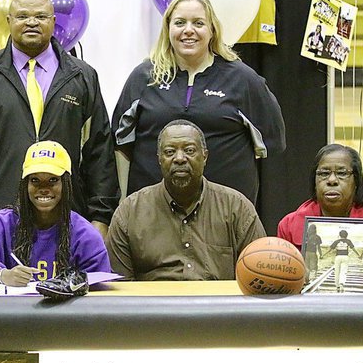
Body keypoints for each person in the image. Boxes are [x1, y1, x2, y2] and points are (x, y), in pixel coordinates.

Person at [0, 0, 118, 250]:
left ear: (52, 22)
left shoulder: (83, 78)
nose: (31, 22)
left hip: (69, 221)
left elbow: (100, 152)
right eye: (23, 16)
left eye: (40, 16)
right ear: (9, 22)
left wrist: (100, 218)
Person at [112, 0, 285, 204]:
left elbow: (272, 141)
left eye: (198, 23)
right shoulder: (144, 77)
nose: (188, 30)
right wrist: (123, 205)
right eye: (180, 23)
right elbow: (120, 144)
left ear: (212, 30)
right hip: (153, 213)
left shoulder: (243, 79)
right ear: (168, 29)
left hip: (223, 216)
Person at [106, 120, 266, 281]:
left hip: (218, 305)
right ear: (159, 159)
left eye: (189, 150)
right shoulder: (130, 212)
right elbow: (118, 287)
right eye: (169, 152)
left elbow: (260, 277)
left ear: (205, 157)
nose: (180, 158)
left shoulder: (236, 208)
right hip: (155, 305)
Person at [0, 141, 111, 286]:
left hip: (65, 316)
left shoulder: (84, 234)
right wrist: (1, 275)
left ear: (66, 184)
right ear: (24, 184)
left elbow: (102, 285)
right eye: (35, 180)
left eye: (53, 180)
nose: (43, 187)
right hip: (9, 316)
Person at [277, 143, 363, 287]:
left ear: (356, 181)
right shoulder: (289, 224)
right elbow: (280, 284)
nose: (332, 180)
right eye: (324, 173)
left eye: (342, 173)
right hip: (310, 308)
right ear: (314, 181)